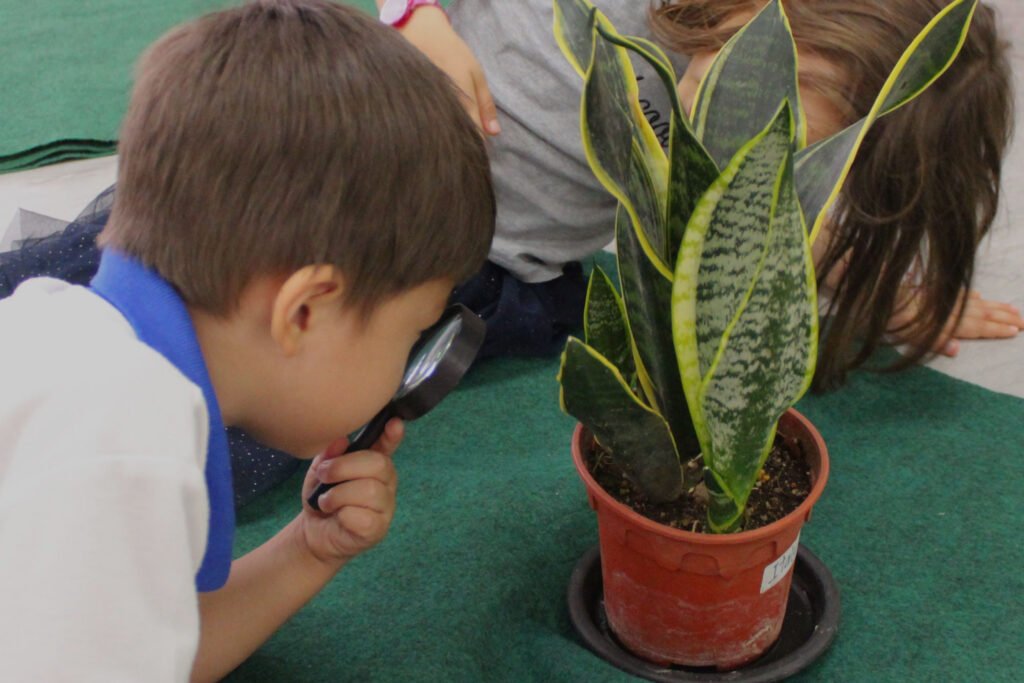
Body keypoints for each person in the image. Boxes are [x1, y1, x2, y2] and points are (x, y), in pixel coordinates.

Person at [0, 2, 495, 681]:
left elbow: (154, 647)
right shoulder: (128, 446)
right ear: (302, 312)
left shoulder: (66, 338)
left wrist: (309, 550)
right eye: (410, 331)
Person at [434, 0, 1021, 387]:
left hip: (501, 279)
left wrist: (877, 289)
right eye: (756, 78)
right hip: (374, 165)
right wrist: (412, 16)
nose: (722, 122)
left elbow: (742, 207)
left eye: (779, 138)